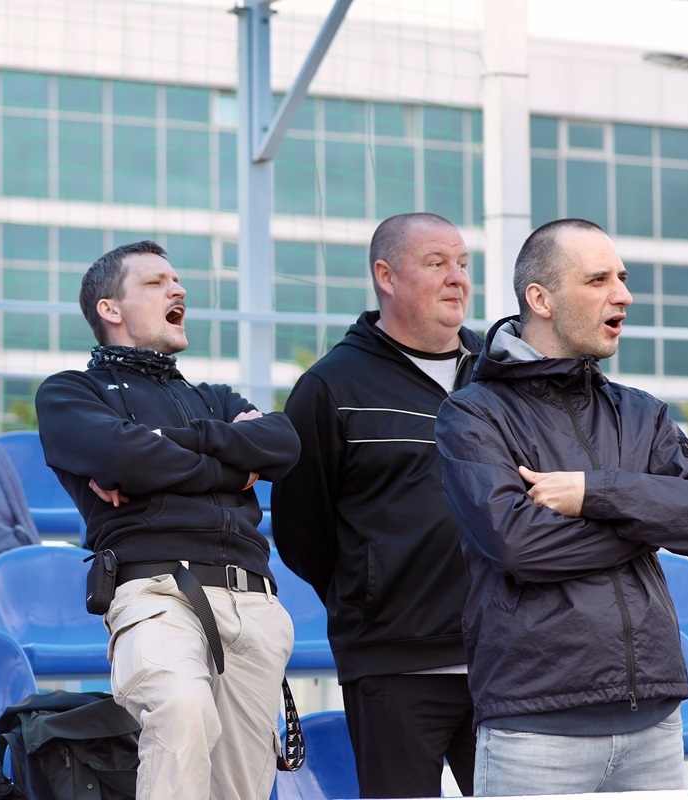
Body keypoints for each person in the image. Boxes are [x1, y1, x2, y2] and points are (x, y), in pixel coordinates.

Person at [435, 218, 688, 795]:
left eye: (621, 277)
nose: (622, 294)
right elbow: (517, 544)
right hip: (535, 729)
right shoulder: (473, 414)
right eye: (597, 279)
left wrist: (597, 493)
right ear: (540, 299)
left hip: (653, 720)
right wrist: (648, 521)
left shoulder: (642, 411)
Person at [34, 240, 301, 800]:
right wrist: (232, 465)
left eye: (176, 281)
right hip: (158, 590)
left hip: (251, 600)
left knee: (239, 788)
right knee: (181, 710)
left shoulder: (215, 398)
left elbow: (282, 442)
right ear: (111, 309)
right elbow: (120, 456)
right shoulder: (71, 392)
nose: (178, 290)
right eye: (156, 283)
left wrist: (177, 445)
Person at [271, 212, 478, 797]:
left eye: (463, 264)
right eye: (437, 263)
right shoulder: (331, 387)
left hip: (503, 654)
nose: (457, 278)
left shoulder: (499, 376)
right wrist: (369, 591)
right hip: (393, 662)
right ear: (386, 275)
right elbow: (301, 531)